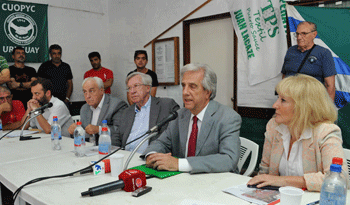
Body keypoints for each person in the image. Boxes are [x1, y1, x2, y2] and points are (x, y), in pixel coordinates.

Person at [247, 74, 348, 192]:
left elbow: (340, 179)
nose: (275, 105)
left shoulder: (325, 132)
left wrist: (283, 181)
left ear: (304, 107)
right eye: (278, 98)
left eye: (283, 100)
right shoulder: (274, 127)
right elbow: (264, 173)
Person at [144, 63, 242, 173]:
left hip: (216, 183)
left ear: (207, 92)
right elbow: (161, 143)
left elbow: (229, 159)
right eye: (184, 86)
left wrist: (179, 164)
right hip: (185, 182)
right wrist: (151, 155)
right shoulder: (180, 115)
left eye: (192, 86)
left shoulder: (228, 117)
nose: (185, 92)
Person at [113, 72, 179, 153]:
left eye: (136, 86)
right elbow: (117, 137)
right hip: (126, 157)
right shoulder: (127, 112)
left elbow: (177, 134)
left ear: (148, 88)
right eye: (129, 88)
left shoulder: (166, 105)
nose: (132, 91)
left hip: (149, 158)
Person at [281, 21, 336, 101]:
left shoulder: (324, 53)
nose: (299, 37)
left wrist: (329, 110)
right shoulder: (291, 51)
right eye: (297, 34)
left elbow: (330, 85)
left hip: (311, 102)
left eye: (304, 33)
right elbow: (284, 75)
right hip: (290, 100)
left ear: (314, 34)